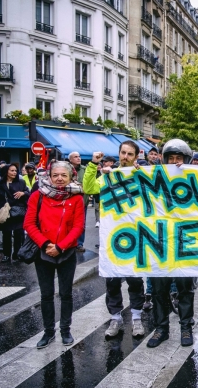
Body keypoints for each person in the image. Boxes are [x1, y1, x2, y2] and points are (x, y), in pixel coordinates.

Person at [83, 141, 146, 338]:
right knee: (112, 281)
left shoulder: (140, 175)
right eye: (123, 153)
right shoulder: (108, 176)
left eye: (130, 154)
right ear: (118, 154)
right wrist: (93, 165)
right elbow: (88, 187)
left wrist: (141, 173)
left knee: (135, 280)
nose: (125, 157)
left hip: (135, 237)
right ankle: (115, 319)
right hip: (112, 238)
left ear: (136, 157)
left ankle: (136, 318)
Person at [142, 139, 197, 348]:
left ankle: (185, 328)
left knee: (185, 289)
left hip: (185, 243)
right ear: (164, 159)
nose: (175, 163)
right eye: (171, 158)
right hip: (159, 243)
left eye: (179, 159)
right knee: (158, 290)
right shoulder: (152, 177)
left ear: (187, 160)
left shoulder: (195, 179)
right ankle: (161, 328)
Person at [24, 161, 85, 349]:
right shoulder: (37, 196)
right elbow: (29, 224)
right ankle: (48, 332)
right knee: (46, 294)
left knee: (66, 294)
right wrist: (45, 244)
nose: (59, 178)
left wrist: (61, 246)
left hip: (66, 253)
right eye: (55, 175)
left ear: (71, 177)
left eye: (63, 175)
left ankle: (65, 330)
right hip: (43, 253)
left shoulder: (77, 198)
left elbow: (78, 227)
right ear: (49, 176)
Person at [0, 164, 29, 262]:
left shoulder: (21, 182)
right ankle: (6, 254)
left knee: (19, 233)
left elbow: (29, 192)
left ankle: (17, 254)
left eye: (15, 170)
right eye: (12, 170)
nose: (14, 172)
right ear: (6, 172)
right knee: (6, 234)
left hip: (18, 211)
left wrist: (23, 193)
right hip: (5, 212)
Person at [68, 152, 88, 252]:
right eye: (75, 157)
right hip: (68, 201)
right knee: (68, 222)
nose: (78, 158)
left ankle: (79, 244)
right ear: (70, 159)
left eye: (79, 156)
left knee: (81, 224)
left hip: (82, 202)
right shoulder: (66, 169)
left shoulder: (85, 169)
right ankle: (69, 242)